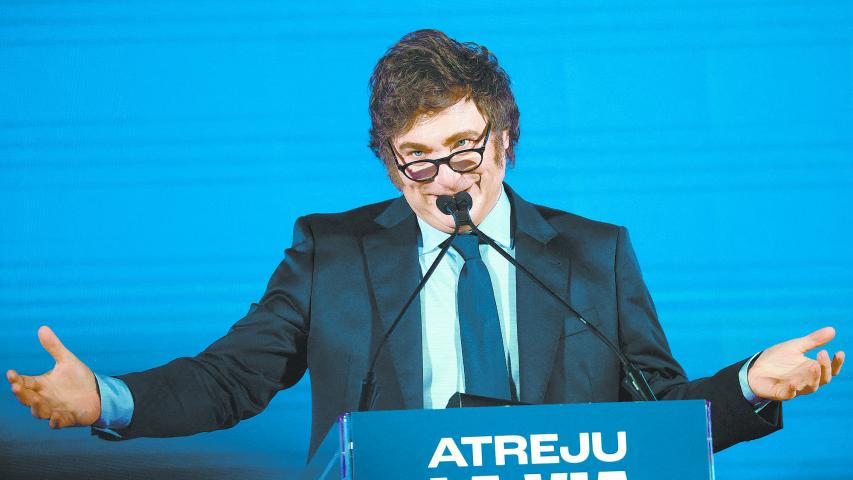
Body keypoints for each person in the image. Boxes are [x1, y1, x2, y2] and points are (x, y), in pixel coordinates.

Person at [6, 29, 845, 462]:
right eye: (417, 160)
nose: (445, 181)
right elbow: (233, 378)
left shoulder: (595, 256)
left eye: (464, 152)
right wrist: (106, 399)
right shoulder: (330, 253)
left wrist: (745, 385)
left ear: (505, 139)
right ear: (388, 160)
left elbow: (653, 419)